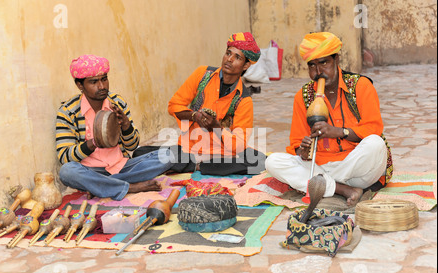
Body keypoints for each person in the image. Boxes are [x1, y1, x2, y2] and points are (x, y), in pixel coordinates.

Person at [265, 32, 393, 206]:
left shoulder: (361, 86)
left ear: (336, 60)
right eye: (312, 65)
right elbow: (295, 145)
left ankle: (322, 184)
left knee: (376, 145)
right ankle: (342, 189)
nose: (318, 72)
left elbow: (374, 129)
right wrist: (302, 152)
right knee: (272, 162)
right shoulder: (302, 97)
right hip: (321, 166)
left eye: (323, 63)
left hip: (355, 168)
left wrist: (339, 132)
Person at [138, 32, 266, 176]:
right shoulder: (202, 75)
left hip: (221, 155)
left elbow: (239, 144)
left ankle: (194, 165)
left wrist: (217, 128)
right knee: (139, 152)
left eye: (237, 57)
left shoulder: (243, 100)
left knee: (260, 161)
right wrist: (195, 116)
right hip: (189, 148)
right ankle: (195, 164)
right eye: (228, 53)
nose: (229, 59)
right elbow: (174, 105)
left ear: (246, 65)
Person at [56, 54, 174, 201]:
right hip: (91, 171)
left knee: (168, 156)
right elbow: (65, 156)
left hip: (122, 166)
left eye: (104, 79)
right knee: (67, 172)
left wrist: (126, 125)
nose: (102, 86)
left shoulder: (117, 102)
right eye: (94, 82)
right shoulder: (68, 112)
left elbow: (133, 146)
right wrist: (93, 143)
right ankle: (129, 187)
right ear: (80, 85)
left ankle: (101, 187)